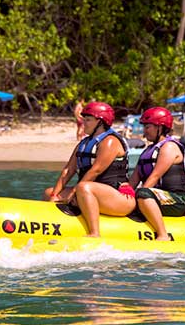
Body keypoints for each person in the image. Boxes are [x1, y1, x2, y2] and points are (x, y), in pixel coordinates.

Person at [44, 101, 135, 237]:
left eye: (87, 120)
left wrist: (74, 192)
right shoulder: (84, 143)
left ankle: (94, 233)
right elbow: (68, 170)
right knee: (49, 192)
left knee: (83, 187)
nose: (83, 123)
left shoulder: (110, 141)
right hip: (89, 194)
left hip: (119, 198)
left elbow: (96, 170)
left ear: (100, 122)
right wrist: (54, 196)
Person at [128, 107, 185, 241]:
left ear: (160, 128)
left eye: (148, 127)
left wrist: (137, 196)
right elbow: (133, 179)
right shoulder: (148, 151)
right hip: (155, 197)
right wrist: (123, 195)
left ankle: (162, 234)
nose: (145, 131)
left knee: (142, 193)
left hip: (177, 199)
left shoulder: (169, 147)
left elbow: (155, 176)